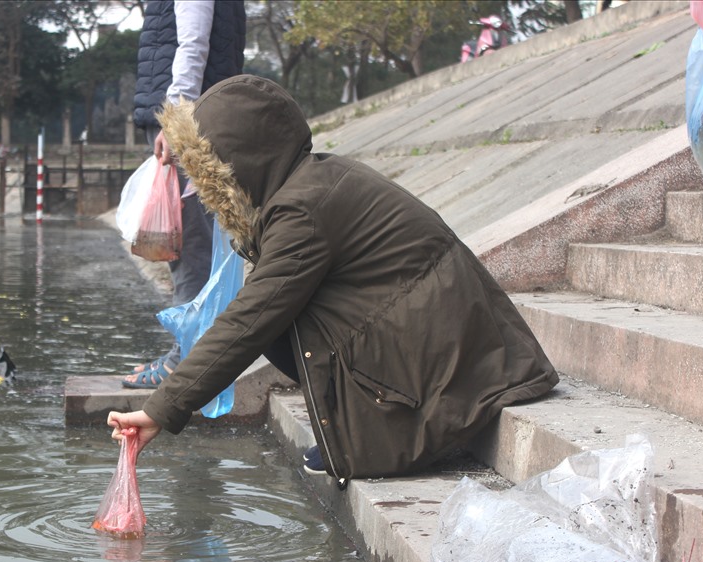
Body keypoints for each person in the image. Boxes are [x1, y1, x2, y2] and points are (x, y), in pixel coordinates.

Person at [108, 75, 559, 486]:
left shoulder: (301, 212)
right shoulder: (312, 181)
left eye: (206, 171)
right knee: (273, 317)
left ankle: (384, 430)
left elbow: (249, 320)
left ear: (235, 163)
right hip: (450, 340)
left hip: (452, 359)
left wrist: (160, 409)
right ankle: (362, 423)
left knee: (268, 318)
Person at [122, 0, 247, 389]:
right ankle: (191, 354)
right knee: (195, 243)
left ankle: (185, 362)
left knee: (188, 245)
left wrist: (176, 116)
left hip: (187, 120)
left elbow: (193, 42)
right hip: (198, 115)